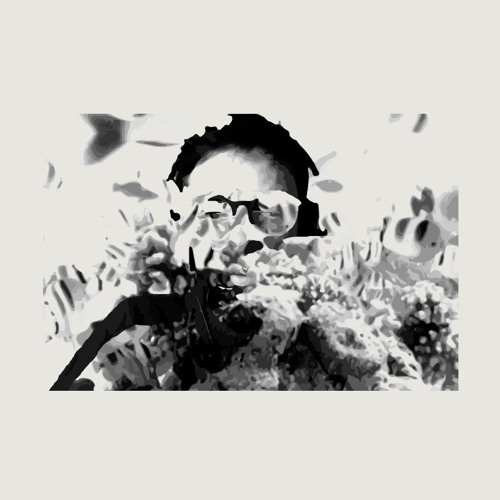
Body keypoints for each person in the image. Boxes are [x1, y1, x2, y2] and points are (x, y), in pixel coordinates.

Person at [49, 114, 336, 390]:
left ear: (305, 230)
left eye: (270, 212)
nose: (240, 236)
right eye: (215, 211)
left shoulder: (336, 333)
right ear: (180, 226)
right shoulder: (136, 330)